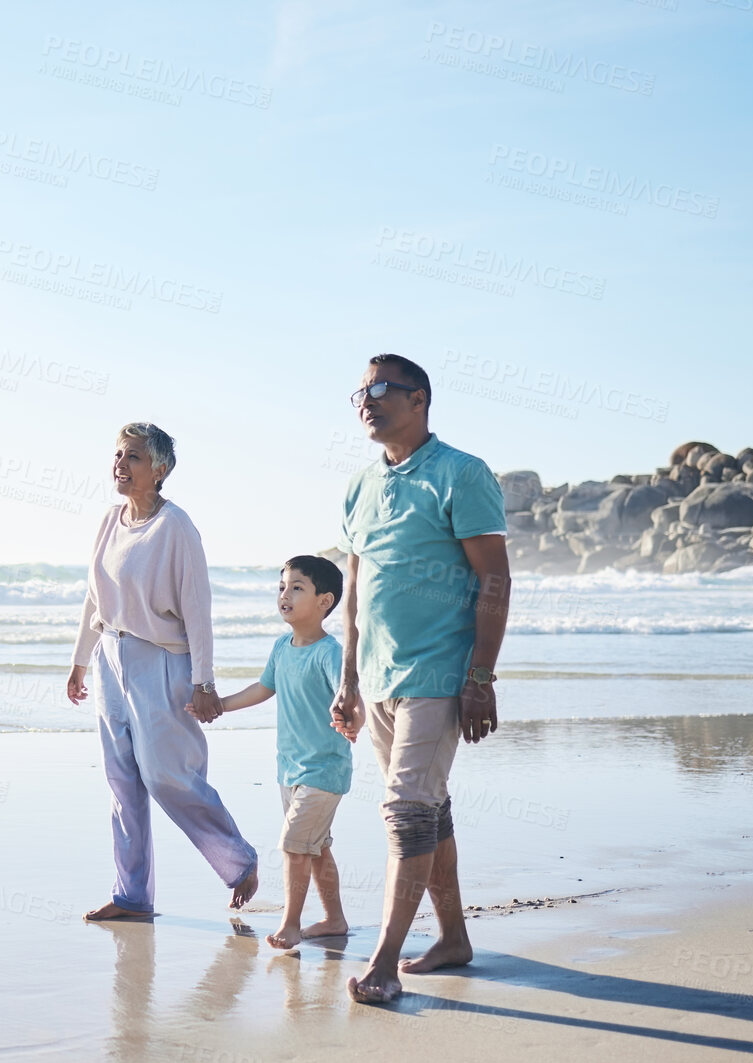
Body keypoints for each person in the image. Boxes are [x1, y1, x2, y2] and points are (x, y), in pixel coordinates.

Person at [329, 354, 511, 1005]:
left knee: (406, 811)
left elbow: (493, 577)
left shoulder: (461, 473)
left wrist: (480, 676)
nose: (366, 401)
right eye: (359, 392)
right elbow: (356, 588)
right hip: (377, 679)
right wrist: (346, 679)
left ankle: (381, 959)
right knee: (427, 809)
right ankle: (455, 936)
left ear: (419, 397)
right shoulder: (357, 487)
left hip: (438, 671)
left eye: (380, 389)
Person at [66, 423, 260, 920]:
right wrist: (80, 661)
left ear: (160, 469)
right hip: (111, 657)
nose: (120, 463)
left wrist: (205, 681)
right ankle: (132, 895)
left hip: (163, 662)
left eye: (132, 456)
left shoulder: (176, 526)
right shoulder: (108, 521)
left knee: (166, 774)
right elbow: (95, 598)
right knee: (121, 779)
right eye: (117, 454)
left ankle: (237, 860)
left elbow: (198, 609)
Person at [190, 555, 352, 950]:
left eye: (298, 587)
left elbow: (345, 692)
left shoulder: (330, 652)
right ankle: (334, 919)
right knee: (316, 848)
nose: (285, 595)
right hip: (290, 770)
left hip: (323, 770)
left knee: (295, 845)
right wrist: (220, 705)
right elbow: (264, 688)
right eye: (282, 587)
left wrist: (344, 711)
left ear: (324, 601)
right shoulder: (282, 647)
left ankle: (291, 924)